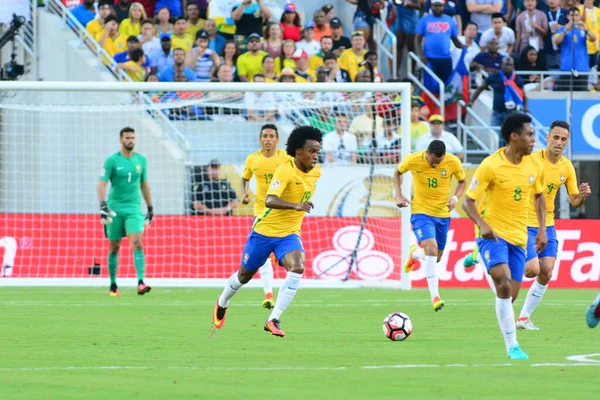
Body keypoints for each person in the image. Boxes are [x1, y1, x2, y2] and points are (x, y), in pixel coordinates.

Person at [212, 126, 323, 337]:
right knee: (244, 276)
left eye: (318, 151)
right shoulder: (285, 169)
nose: (316, 157)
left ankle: (273, 319)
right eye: (311, 151)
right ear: (298, 151)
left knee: (298, 266)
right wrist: (296, 205)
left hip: (289, 234)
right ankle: (223, 300)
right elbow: (270, 200)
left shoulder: (316, 171)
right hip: (263, 231)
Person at [462, 113, 547, 360]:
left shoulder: (534, 165)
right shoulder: (491, 165)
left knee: (510, 296)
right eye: (530, 134)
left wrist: (541, 229)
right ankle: (512, 346)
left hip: (520, 238)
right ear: (514, 136)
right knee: (503, 283)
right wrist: (482, 224)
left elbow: (539, 196)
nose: (534, 139)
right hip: (493, 236)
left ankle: (478, 259)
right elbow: (468, 201)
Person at [515, 121, 591, 330]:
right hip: (523, 221)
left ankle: (523, 318)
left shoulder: (566, 167)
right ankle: (493, 256)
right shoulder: (531, 160)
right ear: (547, 138)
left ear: (567, 142)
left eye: (563, 139)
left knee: (546, 271)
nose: (559, 142)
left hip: (546, 224)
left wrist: (582, 196)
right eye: (555, 137)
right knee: (531, 271)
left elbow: (574, 200)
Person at [395, 140, 466, 311]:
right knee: (432, 249)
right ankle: (435, 296)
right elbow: (398, 173)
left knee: (437, 256)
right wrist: (399, 194)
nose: (436, 164)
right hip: (421, 212)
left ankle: (415, 254)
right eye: (433, 161)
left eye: (439, 162)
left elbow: (462, 181)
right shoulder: (413, 159)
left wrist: (455, 198)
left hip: (442, 214)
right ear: (427, 153)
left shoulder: (453, 161)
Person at [98, 127, 154, 296]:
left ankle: (141, 283)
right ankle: (113, 285)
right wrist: (103, 205)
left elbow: (144, 184)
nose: (131, 140)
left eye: (133, 137)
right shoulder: (112, 161)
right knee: (114, 246)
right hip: (114, 209)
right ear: (121, 140)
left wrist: (150, 207)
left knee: (137, 242)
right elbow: (102, 183)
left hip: (133, 209)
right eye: (127, 138)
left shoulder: (141, 160)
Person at [240, 124, 291, 309]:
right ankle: (268, 293)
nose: (268, 139)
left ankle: (277, 254)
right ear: (260, 139)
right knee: (264, 256)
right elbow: (244, 178)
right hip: (261, 212)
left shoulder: (286, 159)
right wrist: (244, 194)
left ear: (277, 140)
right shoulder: (252, 159)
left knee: (281, 251)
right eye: (265, 136)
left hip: (282, 212)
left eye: (271, 136)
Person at [470, 57, 528, 135]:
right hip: (497, 113)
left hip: (512, 114)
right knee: (496, 137)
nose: (508, 67)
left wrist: (525, 108)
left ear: (513, 66)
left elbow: (523, 95)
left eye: (510, 65)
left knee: (510, 137)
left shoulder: (517, 79)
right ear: (501, 65)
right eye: (506, 64)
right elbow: (481, 88)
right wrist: (471, 101)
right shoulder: (494, 76)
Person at [416, 0, 463, 84]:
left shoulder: (449, 20)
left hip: (445, 59)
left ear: (443, 6)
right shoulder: (425, 19)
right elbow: (417, 39)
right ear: (431, 6)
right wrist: (421, 55)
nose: (437, 8)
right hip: (429, 58)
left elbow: (455, 40)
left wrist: (463, 47)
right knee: (429, 84)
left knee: (445, 84)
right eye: (435, 5)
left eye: (440, 6)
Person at [554, 7, 597, 91]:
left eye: (577, 15)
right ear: (568, 17)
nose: (574, 17)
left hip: (582, 67)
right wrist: (565, 31)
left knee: (581, 95)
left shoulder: (583, 29)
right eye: (572, 15)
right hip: (566, 67)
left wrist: (586, 29)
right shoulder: (562, 29)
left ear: (579, 17)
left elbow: (593, 38)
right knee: (565, 94)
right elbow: (556, 41)